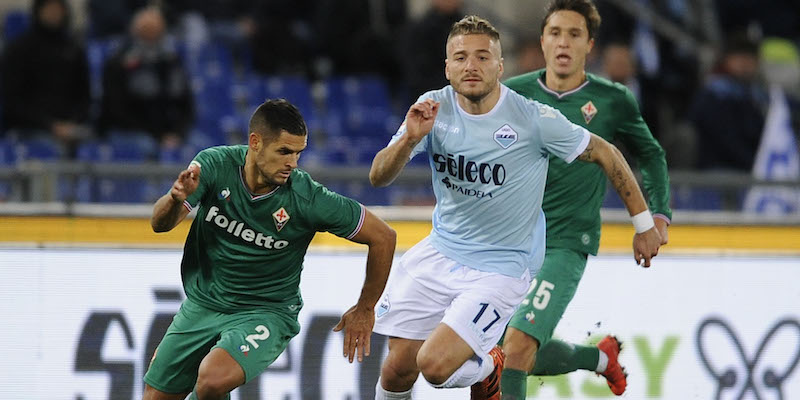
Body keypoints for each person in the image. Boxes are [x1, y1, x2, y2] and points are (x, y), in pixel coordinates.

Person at [368, 15, 662, 400]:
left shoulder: (531, 119)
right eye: (460, 58)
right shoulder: (431, 109)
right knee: (396, 370)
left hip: (502, 266)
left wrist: (644, 224)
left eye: (482, 57)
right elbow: (377, 176)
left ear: (500, 66)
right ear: (447, 67)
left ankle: (491, 364)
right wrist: (408, 140)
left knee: (435, 366)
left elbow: (606, 152)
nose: (470, 66)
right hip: (440, 252)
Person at [144, 99, 397, 399]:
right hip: (204, 303)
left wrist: (365, 308)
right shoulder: (214, 165)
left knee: (212, 379)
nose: (293, 163)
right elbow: (160, 224)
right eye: (284, 152)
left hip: (265, 311)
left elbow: (384, 236)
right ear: (255, 142)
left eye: (298, 153)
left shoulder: (307, 199)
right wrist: (174, 200)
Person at [499, 1, 672, 398]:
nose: (564, 43)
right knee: (501, 351)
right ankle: (601, 360)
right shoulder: (511, 95)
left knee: (517, 347)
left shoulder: (613, 100)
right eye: (555, 33)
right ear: (542, 41)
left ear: (589, 46)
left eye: (574, 34)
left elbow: (650, 155)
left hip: (565, 244)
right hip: (510, 244)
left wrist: (657, 215)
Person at [1, 0, 91, 158]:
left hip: (71, 127)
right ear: (38, 11)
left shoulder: (74, 49)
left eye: (57, 9)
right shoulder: (19, 49)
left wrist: (73, 123)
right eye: (49, 9)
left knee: (95, 149)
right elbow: (13, 102)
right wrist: (50, 126)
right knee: (52, 150)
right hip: (29, 128)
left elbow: (84, 95)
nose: (53, 14)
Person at [99, 6, 194, 154]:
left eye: (155, 31)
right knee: (146, 147)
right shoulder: (118, 63)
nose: (151, 36)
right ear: (135, 31)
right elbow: (118, 109)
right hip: (130, 130)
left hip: (170, 132)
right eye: (146, 31)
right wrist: (158, 135)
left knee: (204, 149)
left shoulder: (172, 61)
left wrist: (178, 133)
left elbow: (187, 106)